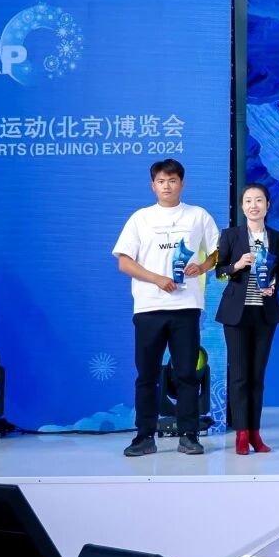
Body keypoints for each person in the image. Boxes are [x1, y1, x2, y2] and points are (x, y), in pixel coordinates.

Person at [112, 159, 220, 456]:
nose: (167, 186)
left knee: (186, 374)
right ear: (153, 186)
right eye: (161, 181)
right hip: (149, 308)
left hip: (186, 307)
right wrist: (157, 279)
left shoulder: (198, 215)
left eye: (173, 180)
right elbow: (124, 262)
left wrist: (203, 266)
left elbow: (218, 251)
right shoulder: (140, 218)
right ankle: (144, 436)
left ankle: (189, 435)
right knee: (147, 375)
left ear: (182, 184)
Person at [215, 183, 279, 455]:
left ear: (268, 205)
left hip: (265, 313)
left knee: (257, 376)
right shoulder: (230, 235)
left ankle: (256, 433)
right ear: (242, 207)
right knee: (239, 376)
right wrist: (237, 265)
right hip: (236, 314)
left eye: (259, 200)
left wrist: (274, 284)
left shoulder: (278, 237)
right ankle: (241, 434)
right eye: (248, 201)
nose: (253, 205)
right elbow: (219, 272)